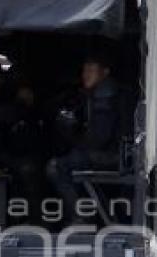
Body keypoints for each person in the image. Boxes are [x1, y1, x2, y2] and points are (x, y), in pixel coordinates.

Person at [45, 54, 127, 222]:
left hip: (113, 156)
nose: (86, 74)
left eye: (91, 70)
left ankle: (81, 217)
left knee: (55, 167)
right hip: (112, 153)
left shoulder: (105, 94)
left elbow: (98, 139)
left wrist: (70, 129)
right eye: (84, 70)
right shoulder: (95, 93)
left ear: (105, 72)